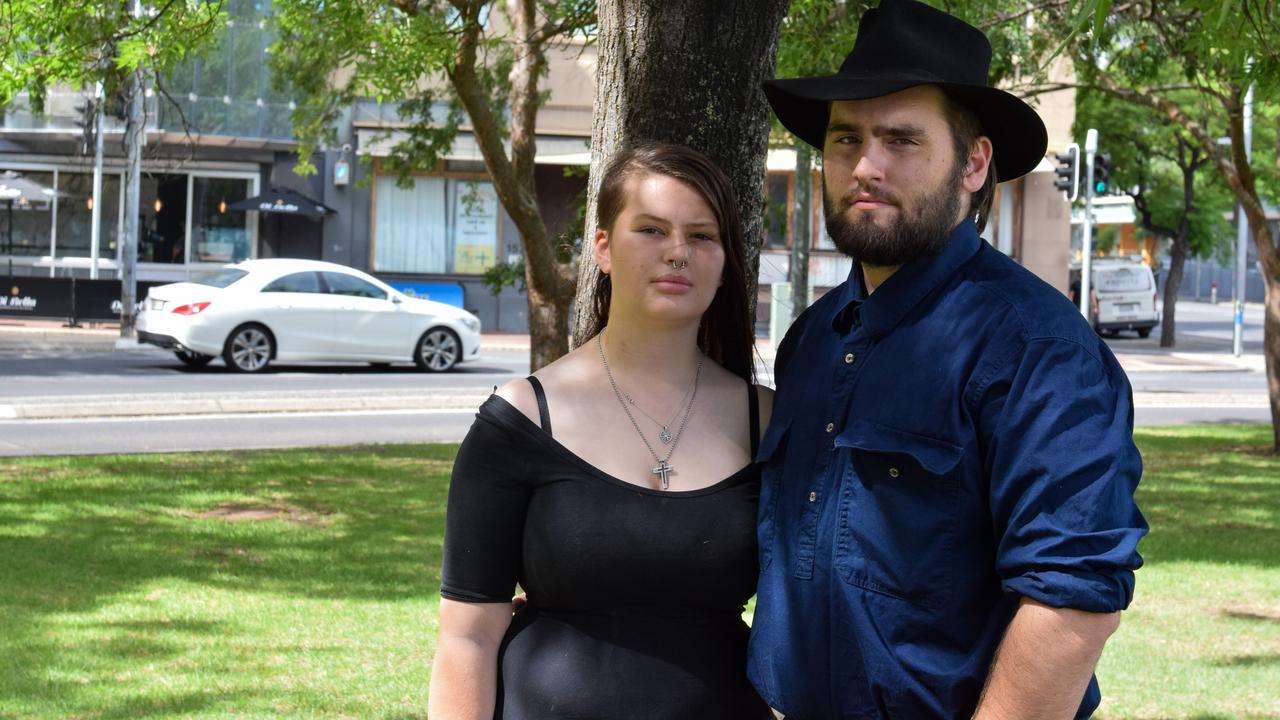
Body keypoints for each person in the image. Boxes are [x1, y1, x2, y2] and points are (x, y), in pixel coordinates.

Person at [750, 1, 1148, 718]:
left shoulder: (1039, 350)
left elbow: (1072, 603)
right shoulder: (812, 340)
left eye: (901, 139)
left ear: (973, 162)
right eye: (846, 139)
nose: (865, 167)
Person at [429, 143, 774, 719]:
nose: (677, 254)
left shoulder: (767, 422)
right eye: (651, 230)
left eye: (701, 236)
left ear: (724, 261)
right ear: (603, 248)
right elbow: (467, 637)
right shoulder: (519, 420)